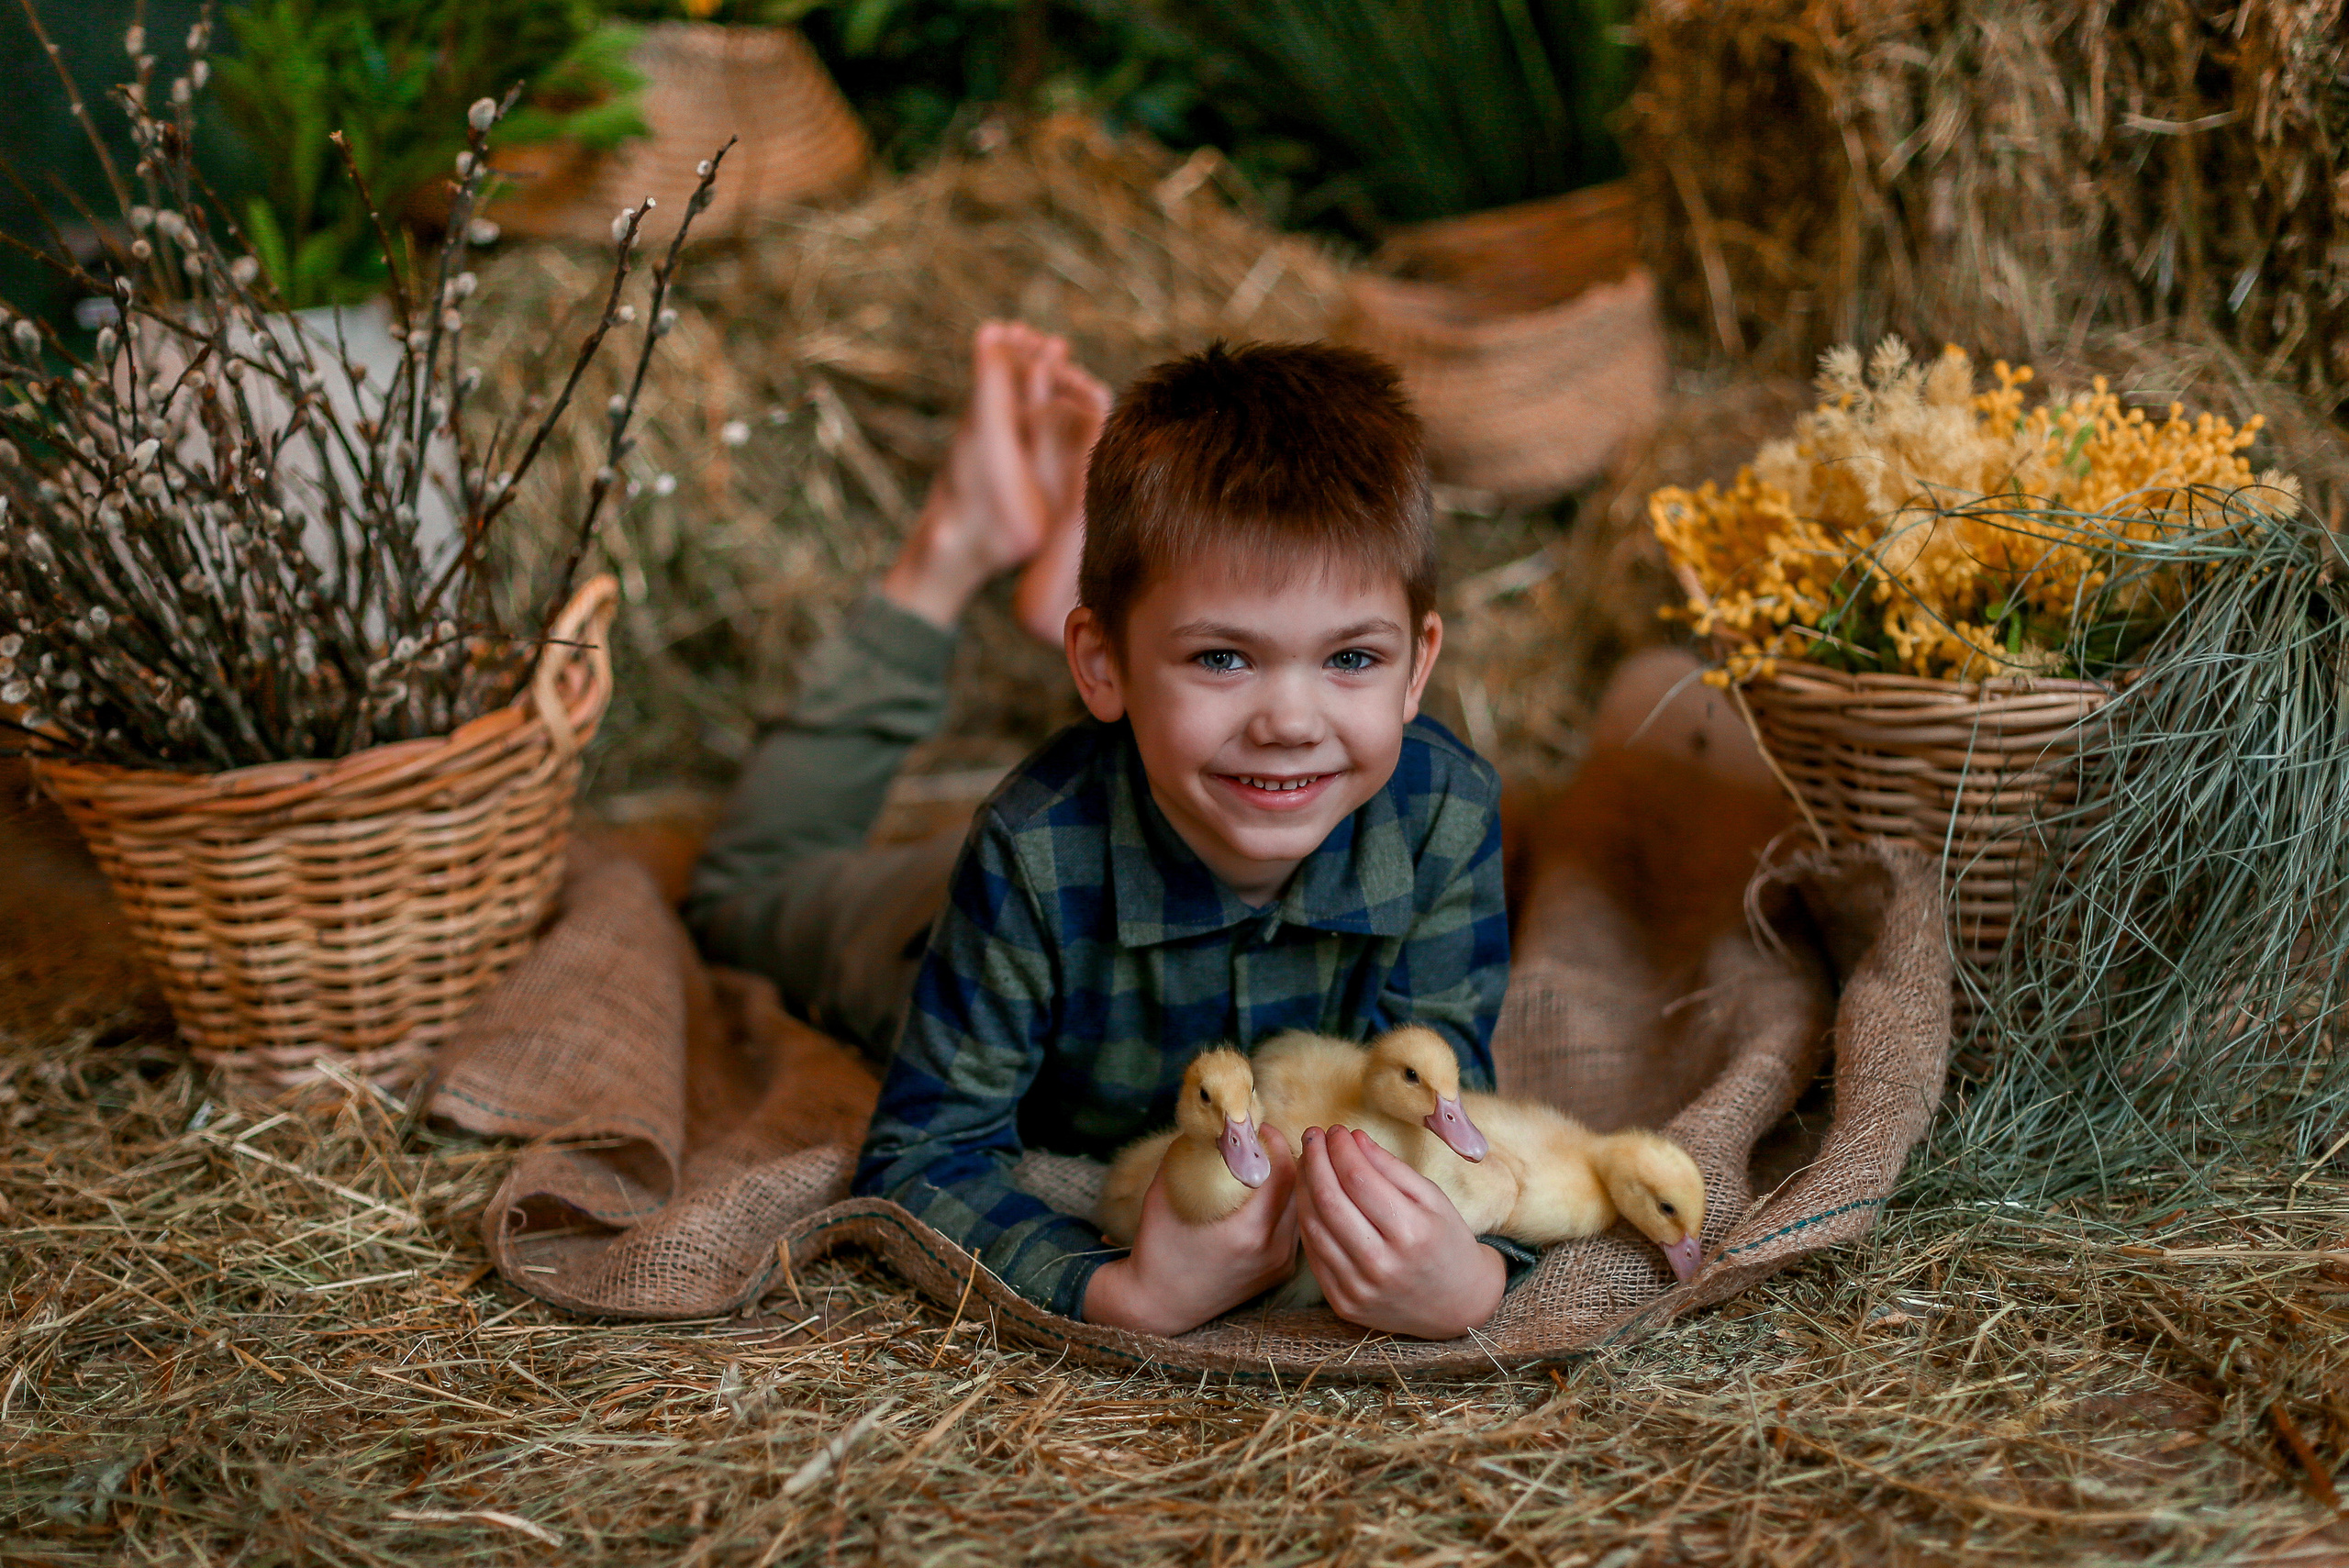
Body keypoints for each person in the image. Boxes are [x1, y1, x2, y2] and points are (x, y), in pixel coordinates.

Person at [686, 325, 1525, 1340]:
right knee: (733, 896)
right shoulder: (1031, 851)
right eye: (1224, 657)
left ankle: (1111, 605)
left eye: (1351, 659)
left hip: (1147, 777)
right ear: (1105, 665)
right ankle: (951, 549)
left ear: (1417, 666)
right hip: (933, 933)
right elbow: (922, 1152)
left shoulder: (1442, 811)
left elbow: (1459, 1112)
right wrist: (1117, 1292)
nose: (1292, 719)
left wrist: (1472, 1275)